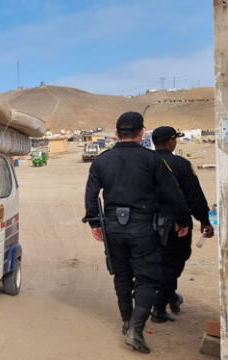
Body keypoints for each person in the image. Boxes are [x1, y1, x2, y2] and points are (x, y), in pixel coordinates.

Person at [84, 112, 190, 354]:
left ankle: (126, 321)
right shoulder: (152, 160)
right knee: (147, 278)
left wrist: (94, 223)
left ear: (117, 132)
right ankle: (135, 329)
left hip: (112, 227)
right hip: (143, 228)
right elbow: (172, 193)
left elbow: (91, 195)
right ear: (142, 132)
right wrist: (182, 219)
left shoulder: (101, 160)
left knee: (121, 275)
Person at [150, 126, 214, 322]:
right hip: (175, 224)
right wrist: (204, 220)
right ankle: (159, 308)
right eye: (174, 139)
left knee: (158, 263)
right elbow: (193, 196)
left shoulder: (143, 162)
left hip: (145, 224)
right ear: (171, 141)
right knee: (173, 263)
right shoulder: (180, 164)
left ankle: (169, 295)